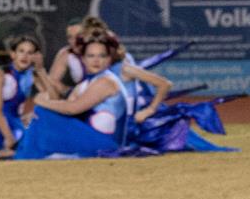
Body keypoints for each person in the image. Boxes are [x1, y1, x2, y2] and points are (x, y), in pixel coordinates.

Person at [16, 31, 172, 159]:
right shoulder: (86, 83)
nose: (96, 60)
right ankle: (27, 157)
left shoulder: (106, 81)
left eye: (101, 56)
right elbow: (60, 105)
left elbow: (72, 108)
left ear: (109, 59)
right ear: (83, 59)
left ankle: (25, 159)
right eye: (91, 56)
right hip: (91, 137)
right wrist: (41, 73)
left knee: (42, 113)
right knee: (41, 116)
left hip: (106, 144)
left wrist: (41, 102)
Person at [0, 33, 53, 157]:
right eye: (21, 51)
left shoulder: (32, 75)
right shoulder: (1, 74)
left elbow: (54, 98)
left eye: (30, 53)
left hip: (17, 122)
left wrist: (40, 70)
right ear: (13, 54)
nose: (25, 56)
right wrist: (9, 138)